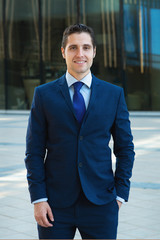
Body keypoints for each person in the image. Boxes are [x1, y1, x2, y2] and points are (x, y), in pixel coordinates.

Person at [25, 23, 135, 239]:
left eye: (86, 47)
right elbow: (34, 152)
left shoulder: (114, 95)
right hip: (54, 205)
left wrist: (120, 194)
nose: (80, 54)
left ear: (94, 51)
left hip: (101, 204)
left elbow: (125, 149)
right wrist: (39, 199)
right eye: (73, 47)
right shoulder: (44, 95)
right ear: (63, 52)